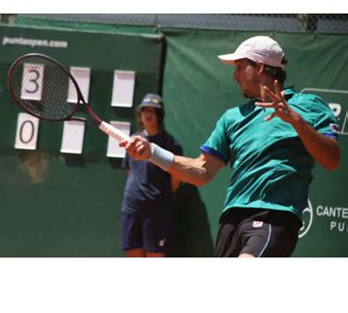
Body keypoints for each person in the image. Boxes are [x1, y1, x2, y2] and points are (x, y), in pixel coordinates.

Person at [121, 36, 340, 257]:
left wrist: (297, 121)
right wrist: (152, 153)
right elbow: (202, 171)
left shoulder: (308, 106)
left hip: (274, 215)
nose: (235, 76)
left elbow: (332, 159)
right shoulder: (232, 118)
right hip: (231, 221)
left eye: (239, 67)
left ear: (260, 67)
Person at [121, 93, 183, 257]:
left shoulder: (171, 144)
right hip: (131, 206)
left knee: (154, 255)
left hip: (157, 210)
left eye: (152, 111)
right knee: (132, 252)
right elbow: (130, 171)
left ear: (159, 115)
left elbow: (177, 179)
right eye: (144, 110)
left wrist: (157, 196)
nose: (148, 115)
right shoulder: (134, 140)